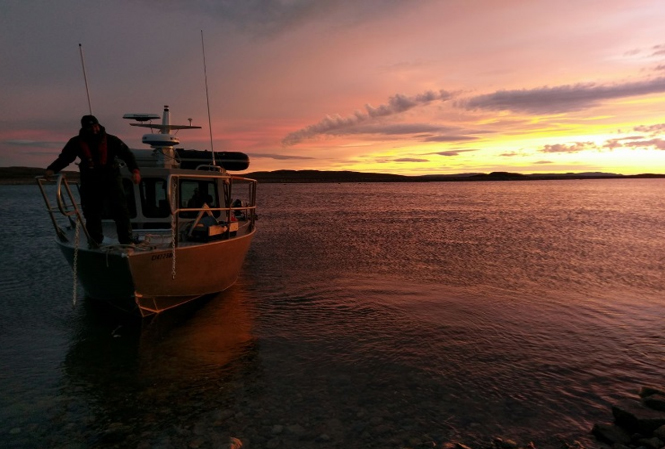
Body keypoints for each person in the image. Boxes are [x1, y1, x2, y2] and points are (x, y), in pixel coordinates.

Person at [45, 115, 141, 246]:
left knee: (120, 209)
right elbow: (65, 158)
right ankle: (95, 241)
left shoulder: (112, 140)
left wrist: (135, 171)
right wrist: (52, 169)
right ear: (85, 128)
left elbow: (128, 155)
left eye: (96, 126)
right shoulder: (76, 142)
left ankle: (126, 240)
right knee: (91, 212)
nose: (94, 129)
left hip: (111, 178)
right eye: (91, 127)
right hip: (90, 181)